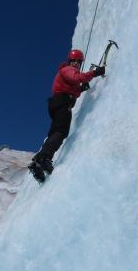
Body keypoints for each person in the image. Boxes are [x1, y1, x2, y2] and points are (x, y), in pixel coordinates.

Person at [29, 48, 105, 182]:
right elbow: (76, 77)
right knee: (61, 132)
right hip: (62, 103)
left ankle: (40, 163)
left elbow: (73, 89)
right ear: (69, 61)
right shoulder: (67, 70)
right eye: (74, 61)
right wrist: (95, 72)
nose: (76, 64)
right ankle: (43, 158)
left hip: (58, 103)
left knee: (54, 133)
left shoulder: (66, 72)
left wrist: (81, 88)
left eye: (78, 62)